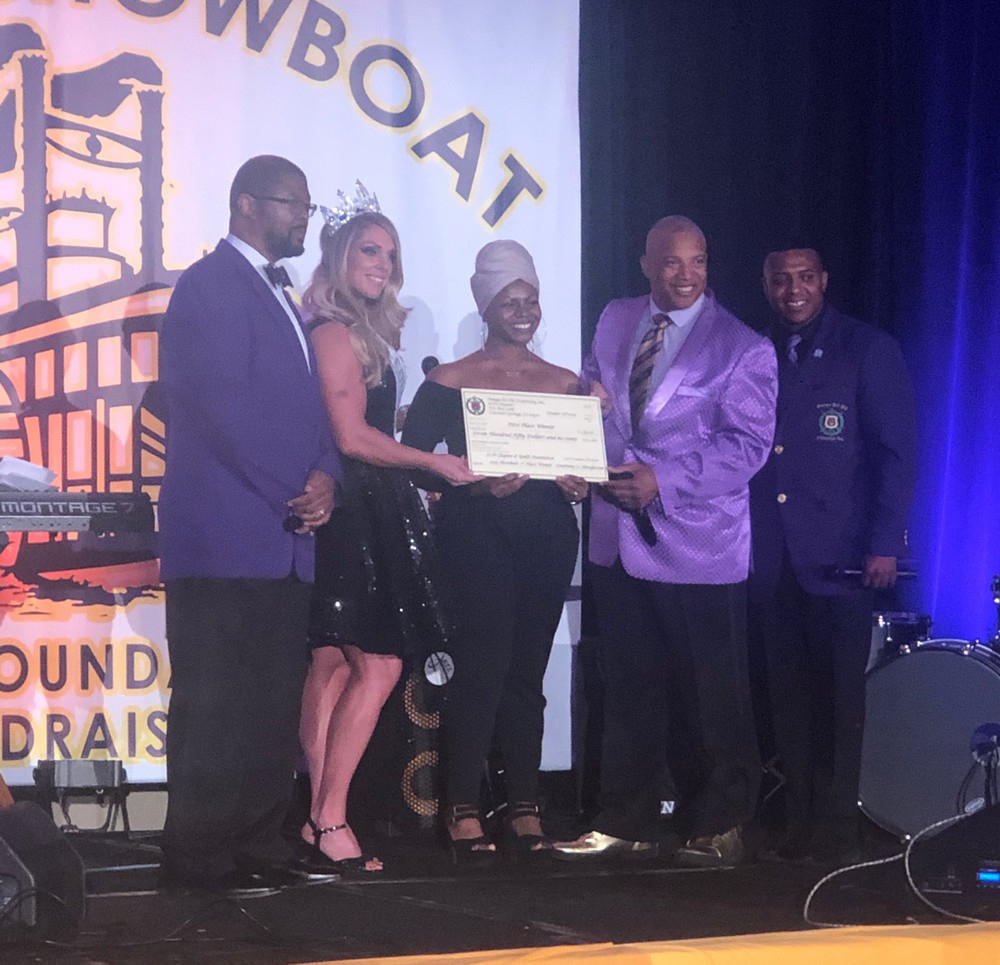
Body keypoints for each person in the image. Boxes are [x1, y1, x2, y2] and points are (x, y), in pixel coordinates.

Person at [553, 216, 777, 867]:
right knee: (629, 685)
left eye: (698, 261)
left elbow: (747, 446)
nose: (686, 274)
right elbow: (593, 400)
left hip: (700, 543)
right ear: (647, 265)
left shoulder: (742, 346)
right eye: (672, 261)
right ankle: (627, 819)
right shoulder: (615, 318)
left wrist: (664, 480)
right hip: (617, 535)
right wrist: (578, 457)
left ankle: (721, 822)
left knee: (712, 692)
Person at [158, 155, 340, 893]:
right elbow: (219, 409)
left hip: (283, 536)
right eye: (291, 203)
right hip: (224, 533)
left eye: (307, 205)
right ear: (245, 204)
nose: (303, 218)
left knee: (269, 700)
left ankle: (260, 838)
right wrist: (296, 489)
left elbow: (310, 406)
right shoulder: (208, 285)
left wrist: (328, 476)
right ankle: (200, 852)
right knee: (214, 701)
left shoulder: (281, 291)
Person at [298, 195, 478, 873]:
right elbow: (350, 437)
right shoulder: (333, 332)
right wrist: (430, 462)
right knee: (376, 663)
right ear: (341, 257)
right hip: (353, 509)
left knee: (336, 662)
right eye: (369, 250)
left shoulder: (359, 331)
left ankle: (317, 820)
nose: (382, 264)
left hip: (368, 503)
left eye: (390, 254)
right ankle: (330, 817)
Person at [401, 240, 584, 861]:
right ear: (486, 307)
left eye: (531, 300)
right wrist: (473, 480)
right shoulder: (447, 381)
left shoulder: (564, 383)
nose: (523, 311)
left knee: (527, 671)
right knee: (481, 667)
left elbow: (582, 460)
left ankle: (525, 803)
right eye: (510, 301)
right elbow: (415, 463)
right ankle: (461, 804)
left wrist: (580, 483)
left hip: (547, 535)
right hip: (474, 534)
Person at [748, 246, 916, 864]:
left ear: (823, 281)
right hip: (773, 554)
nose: (792, 290)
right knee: (787, 699)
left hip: (842, 556)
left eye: (804, 278)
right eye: (780, 280)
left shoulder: (867, 348)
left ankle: (839, 829)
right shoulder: (756, 351)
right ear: (766, 285)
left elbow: (896, 454)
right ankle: (798, 822)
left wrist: (884, 542)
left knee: (840, 701)